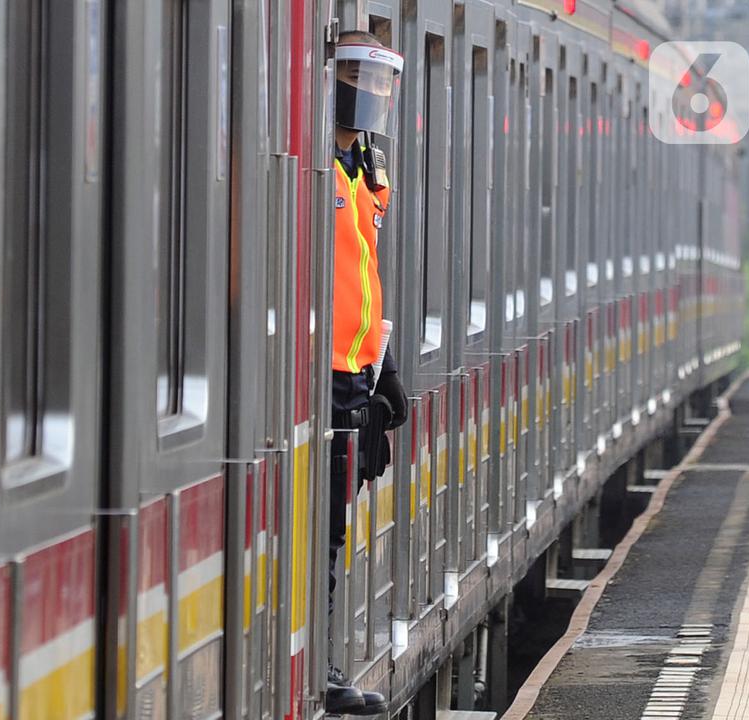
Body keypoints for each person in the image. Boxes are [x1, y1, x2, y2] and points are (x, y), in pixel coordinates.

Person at [325, 30, 409, 717]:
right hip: (318, 373)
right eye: (357, 76)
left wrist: (385, 371)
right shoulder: (317, 164)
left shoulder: (367, 168)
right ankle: (322, 670)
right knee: (322, 521)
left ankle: (324, 661)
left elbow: (365, 277)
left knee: (337, 520)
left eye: (380, 81)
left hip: (357, 369)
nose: (369, 93)